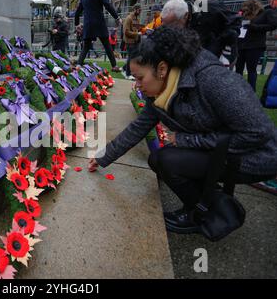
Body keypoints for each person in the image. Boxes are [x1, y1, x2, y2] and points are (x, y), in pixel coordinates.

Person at [88, 26, 277, 235]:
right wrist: (104, 156)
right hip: (220, 150)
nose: (138, 85)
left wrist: (188, 140)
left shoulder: (214, 80)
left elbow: (258, 133)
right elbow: (139, 127)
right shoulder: (163, 87)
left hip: (253, 155)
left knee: (168, 160)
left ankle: (204, 214)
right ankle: (206, 204)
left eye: (140, 78)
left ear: (161, 68)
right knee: (159, 159)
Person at [74, 0, 122, 72]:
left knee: (86, 46)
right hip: (99, 22)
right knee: (107, 45)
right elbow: (107, 5)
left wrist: (77, 24)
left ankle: (78, 65)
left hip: (88, 24)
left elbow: (77, 12)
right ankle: (114, 66)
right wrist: (117, 17)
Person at [236, 0, 277, 92]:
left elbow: (273, 25)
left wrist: (255, 27)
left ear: (253, 7)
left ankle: (251, 91)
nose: (244, 10)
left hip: (255, 45)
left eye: (247, 7)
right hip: (241, 44)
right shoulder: (244, 15)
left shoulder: (266, 13)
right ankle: (238, 89)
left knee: (251, 69)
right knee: (238, 68)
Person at [123, 3, 142, 80]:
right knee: (131, 58)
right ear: (135, 9)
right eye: (139, 10)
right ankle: (127, 74)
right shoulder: (129, 18)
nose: (140, 11)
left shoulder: (136, 18)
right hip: (129, 42)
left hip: (135, 41)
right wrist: (137, 33)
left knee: (134, 58)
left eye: (140, 10)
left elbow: (136, 29)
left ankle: (124, 69)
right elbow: (126, 32)